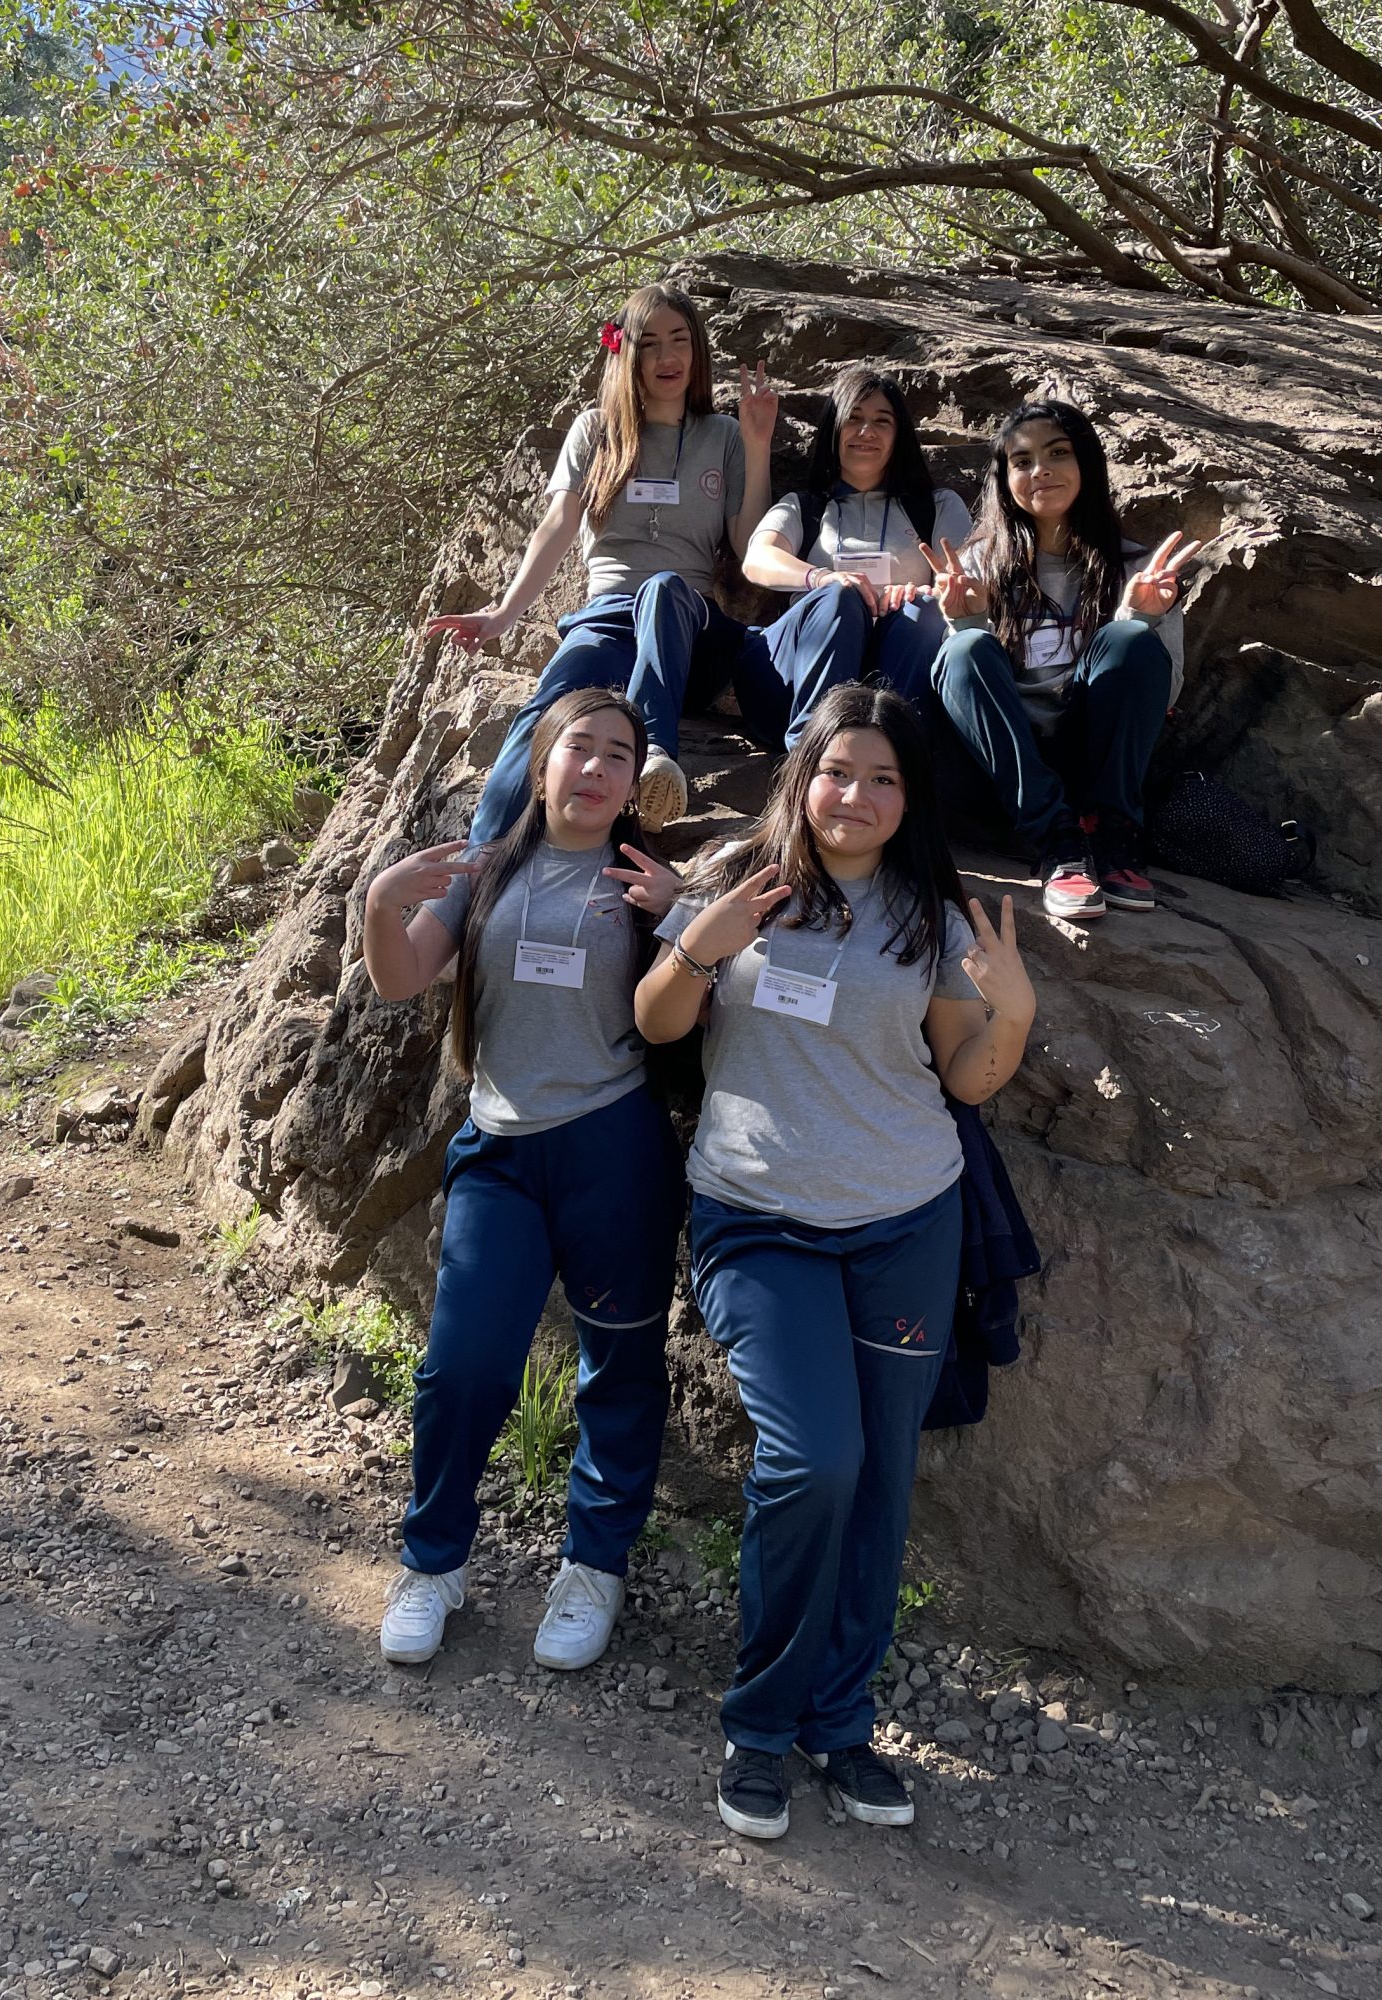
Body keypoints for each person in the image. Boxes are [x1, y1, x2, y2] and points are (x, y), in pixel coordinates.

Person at [636, 683, 1034, 1841]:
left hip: (905, 1221)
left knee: (881, 1482)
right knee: (815, 1461)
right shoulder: (736, 880)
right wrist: (698, 947)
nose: (855, 796)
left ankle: (841, 1721)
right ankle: (759, 1725)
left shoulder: (932, 916)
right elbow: (658, 1022)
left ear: (911, 799)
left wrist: (1012, 1013)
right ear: (801, 777)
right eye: (837, 771)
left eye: (883, 779)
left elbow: (965, 1076)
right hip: (758, 1220)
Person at [361, 687, 685, 1674]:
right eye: (579, 747)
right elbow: (400, 977)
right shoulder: (488, 871)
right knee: (461, 1368)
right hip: (500, 1149)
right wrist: (379, 902)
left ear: (634, 782)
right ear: (541, 765)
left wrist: (682, 921)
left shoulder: (647, 883)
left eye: (618, 755)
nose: (596, 768)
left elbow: (696, 1015)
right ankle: (432, 1562)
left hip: (614, 1148)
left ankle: (594, 1568)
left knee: (619, 1368)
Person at [430, 287, 777, 836]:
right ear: (628, 353)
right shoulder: (595, 430)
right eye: (650, 343)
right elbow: (556, 526)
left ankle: (654, 757)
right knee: (548, 712)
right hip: (610, 620)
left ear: (697, 351)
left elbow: (748, 543)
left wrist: (757, 446)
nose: (667, 357)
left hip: (692, 631)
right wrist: (501, 615)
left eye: (680, 340)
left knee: (664, 588)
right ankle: (482, 854)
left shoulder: (723, 435)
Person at [928, 398, 1197, 922]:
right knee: (963, 650)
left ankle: (1112, 838)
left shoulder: (1138, 567)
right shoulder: (977, 563)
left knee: (1129, 639)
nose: (1040, 470)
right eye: (1022, 460)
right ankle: (1059, 843)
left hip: (1091, 759)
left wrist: (1138, 618)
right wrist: (968, 623)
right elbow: (964, 691)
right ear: (1004, 477)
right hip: (1008, 766)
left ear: (1086, 464)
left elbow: (1161, 695)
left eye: (1057, 453)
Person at [735, 364, 972, 747]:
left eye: (882, 421)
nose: (867, 431)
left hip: (892, 669)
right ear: (834, 429)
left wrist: (928, 594)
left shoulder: (937, 507)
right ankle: (813, 750)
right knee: (839, 595)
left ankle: (893, 751)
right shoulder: (804, 506)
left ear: (899, 435)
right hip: (791, 682)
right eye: (854, 418)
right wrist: (822, 579)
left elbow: (965, 585)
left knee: (923, 611)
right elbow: (758, 558)